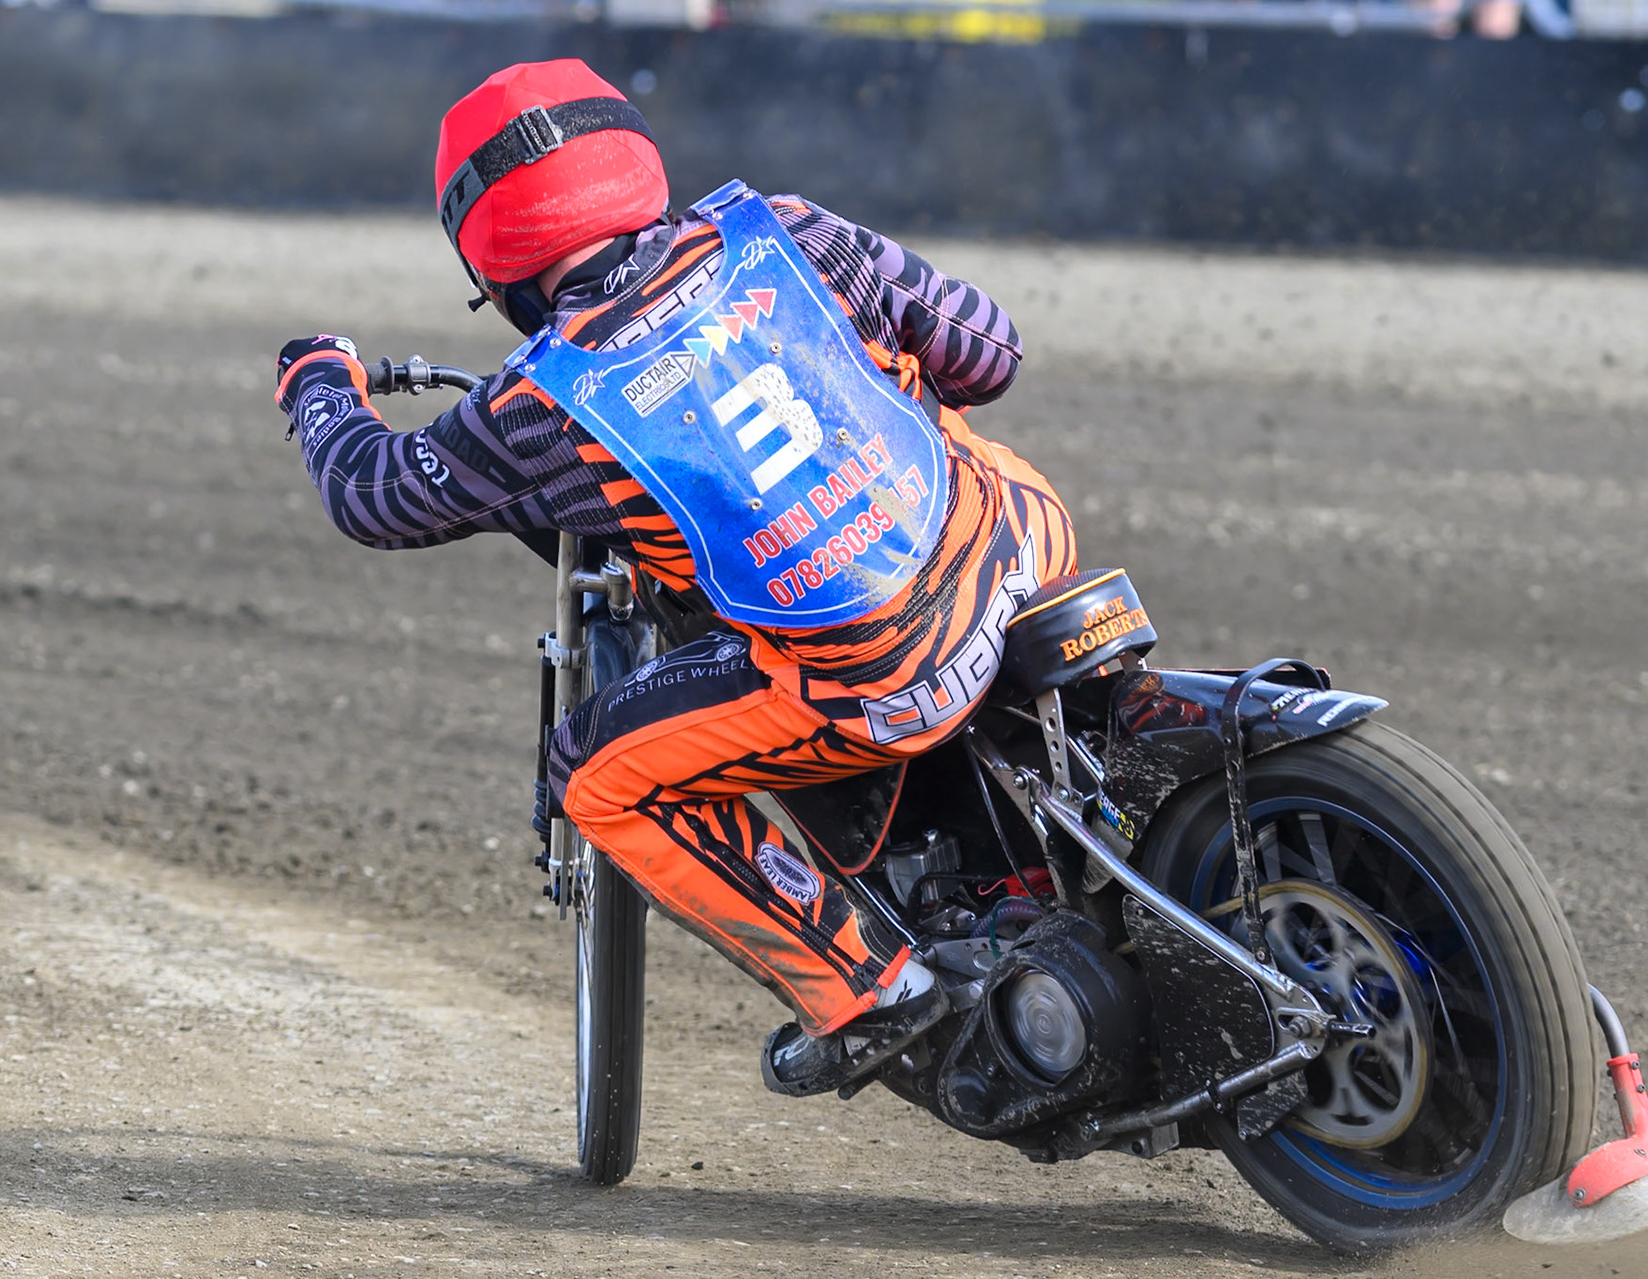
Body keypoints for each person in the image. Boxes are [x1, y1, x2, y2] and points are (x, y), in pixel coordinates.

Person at [273, 59, 1075, 1096]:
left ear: (489, 251)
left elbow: (372, 493)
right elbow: (988, 355)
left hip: (877, 675)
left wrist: (318, 385)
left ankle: (863, 986)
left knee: (598, 774)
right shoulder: (783, 228)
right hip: (1023, 544)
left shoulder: (542, 400)